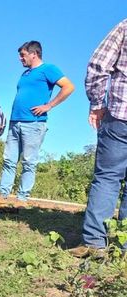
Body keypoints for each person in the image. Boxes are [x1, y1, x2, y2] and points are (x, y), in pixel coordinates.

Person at [69, 19, 127, 258]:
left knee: (107, 177)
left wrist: (96, 104)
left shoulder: (125, 27)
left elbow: (98, 64)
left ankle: (94, 243)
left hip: (120, 117)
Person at [0, 41, 74, 201]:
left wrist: (49, 105)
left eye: (23, 55)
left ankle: (22, 198)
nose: (20, 59)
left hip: (34, 123)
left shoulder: (48, 69)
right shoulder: (24, 74)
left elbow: (68, 87)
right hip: (15, 122)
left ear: (34, 54)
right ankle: (1, 194)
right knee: (9, 160)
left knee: (28, 161)